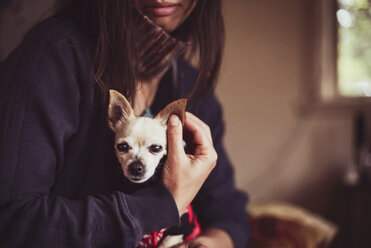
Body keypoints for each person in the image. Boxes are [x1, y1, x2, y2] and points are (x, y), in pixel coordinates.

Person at [0, 0, 250, 247]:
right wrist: (162, 204)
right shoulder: (53, 55)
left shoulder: (192, 86)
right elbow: (12, 220)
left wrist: (206, 244)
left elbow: (229, 215)